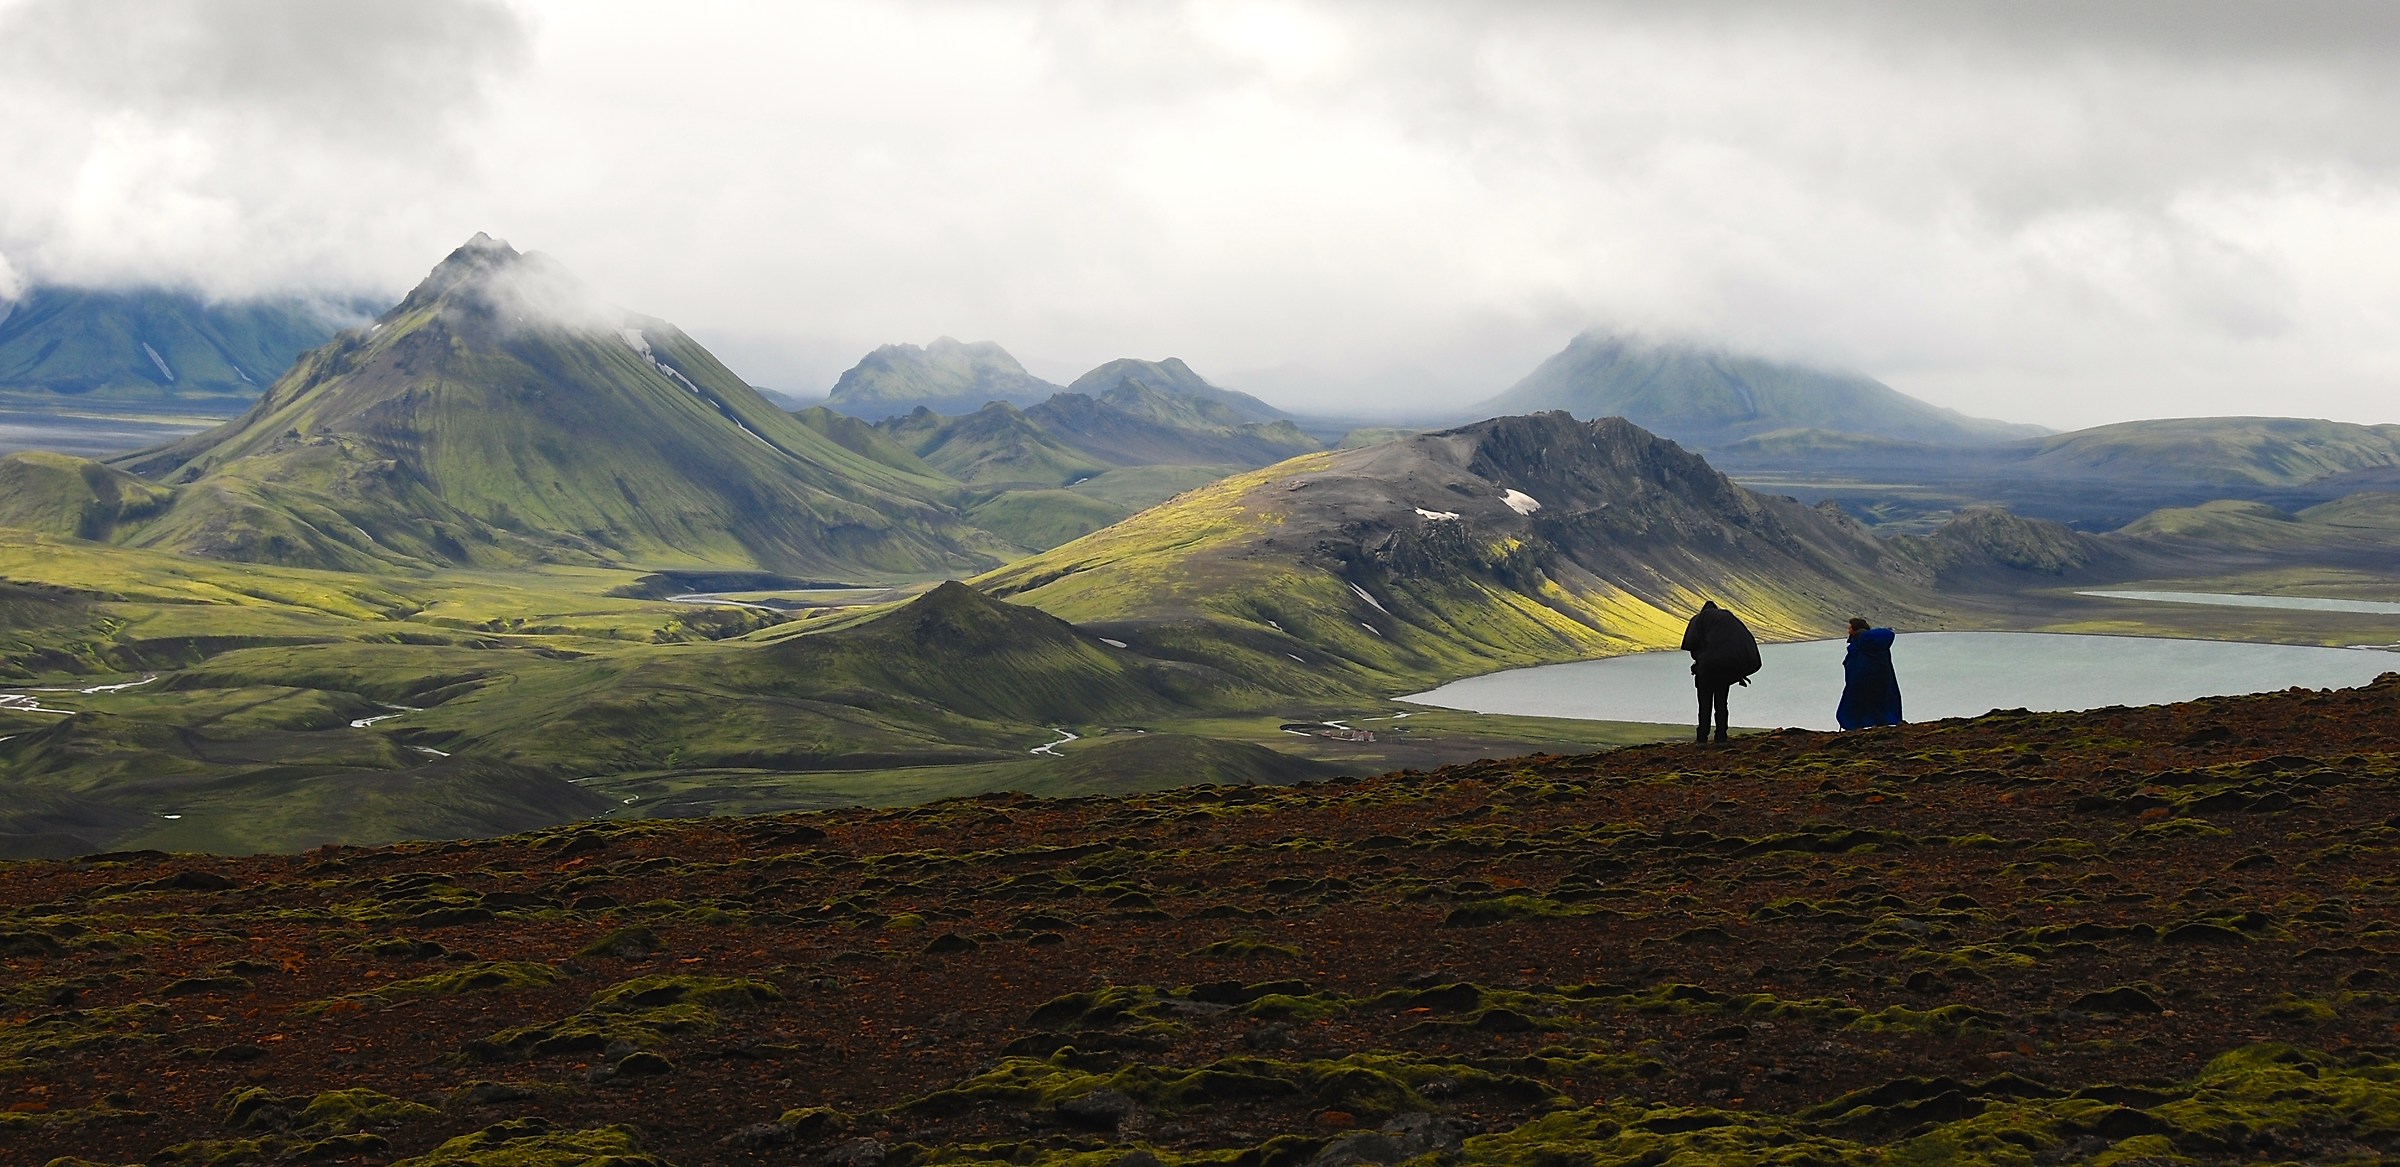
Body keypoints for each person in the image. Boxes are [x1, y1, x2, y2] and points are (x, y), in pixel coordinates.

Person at [1679, 601, 1761, 743]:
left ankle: (1702, 738)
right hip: (1726, 668)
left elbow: (1691, 646)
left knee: (1704, 704)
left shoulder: (1698, 620)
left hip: (1707, 669)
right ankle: (1721, 736)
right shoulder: (1727, 618)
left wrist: (1700, 661)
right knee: (1721, 703)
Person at [1836, 617, 1904, 729]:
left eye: (1850, 628)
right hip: (1883, 681)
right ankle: (1881, 725)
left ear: (1855, 629)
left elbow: (1855, 665)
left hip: (1862, 682)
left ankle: (1859, 727)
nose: (1848, 631)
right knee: (1881, 704)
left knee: (1856, 706)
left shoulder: (1860, 644)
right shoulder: (1878, 643)